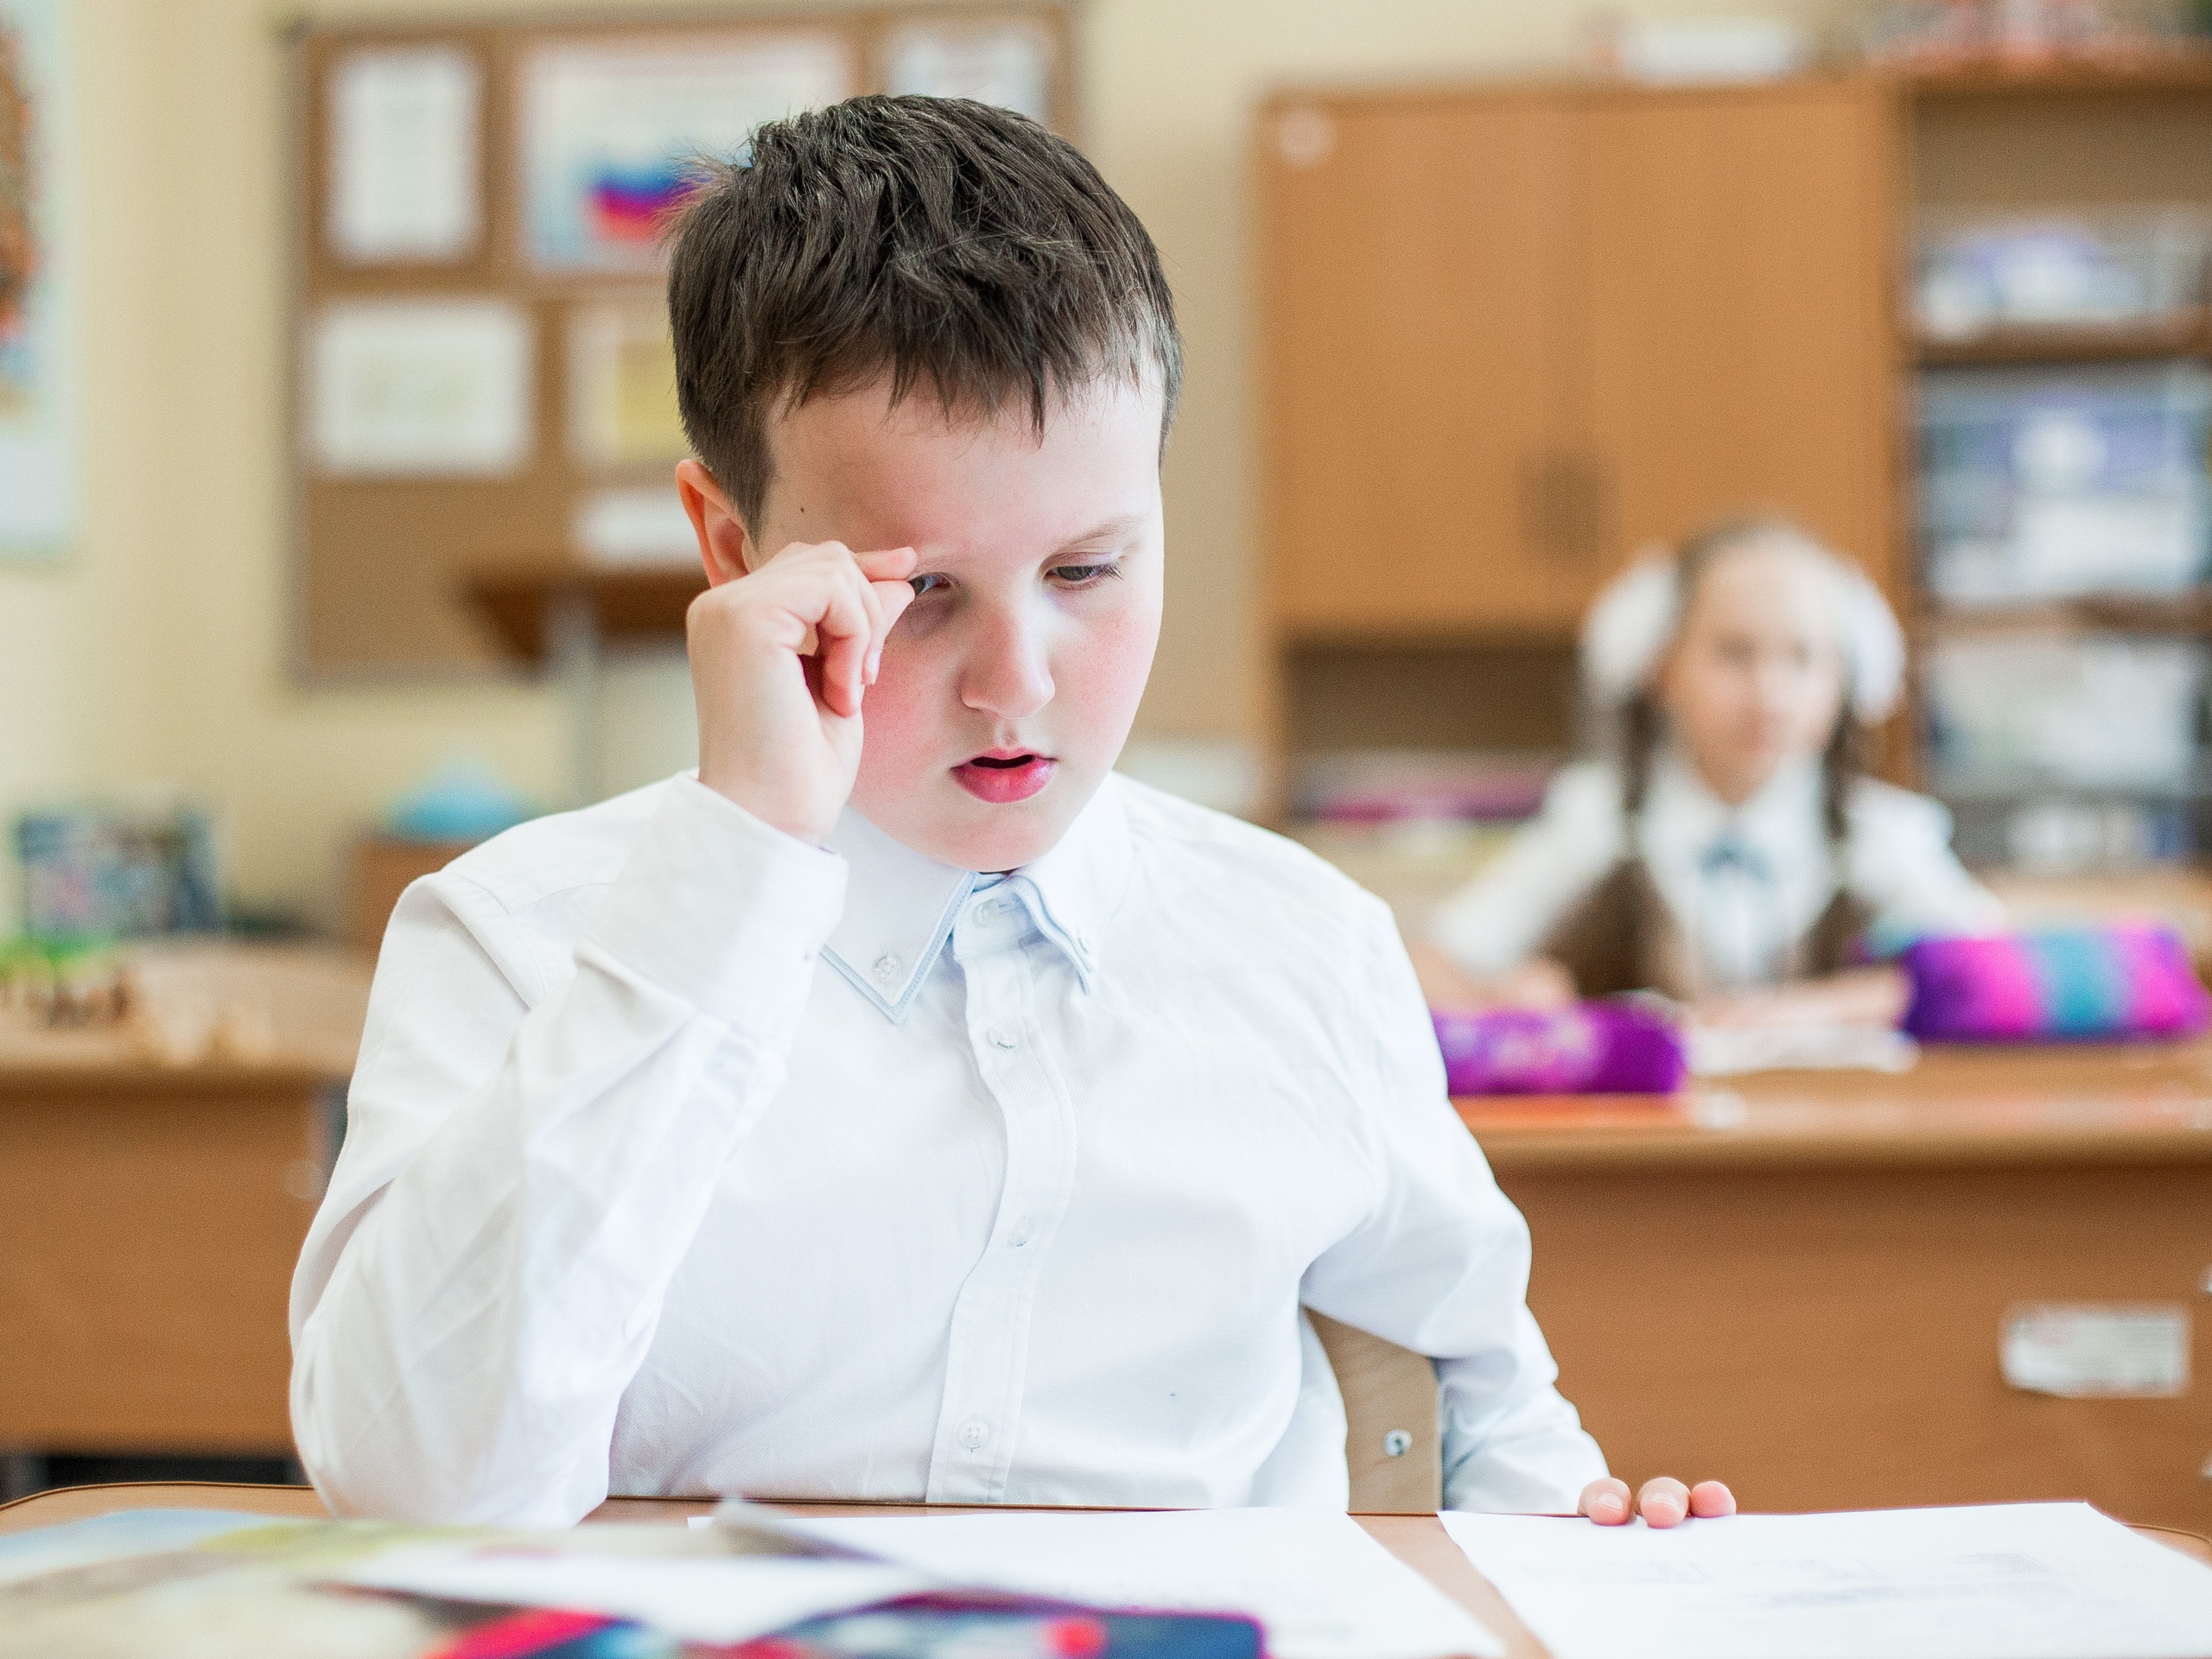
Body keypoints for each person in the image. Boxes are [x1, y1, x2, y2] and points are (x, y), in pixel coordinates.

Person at [289, 95, 1726, 1530]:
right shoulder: (515, 944)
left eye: (1088, 571)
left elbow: (1484, 1410)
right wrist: (734, 871)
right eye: (922, 591)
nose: (1018, 682)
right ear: (733, 549)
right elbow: (419, 1487)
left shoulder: (1305, 947)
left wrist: (1592, 1537)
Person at [1421, 518, 2004, 1027]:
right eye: (1733, 652)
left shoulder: (1876, 834)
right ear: (1661, 666)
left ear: (1846, 681)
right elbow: (1432, 964)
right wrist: (1504, 1001)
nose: (1769, 693)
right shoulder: (1599, 820)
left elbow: (1996, 972)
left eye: (1802, 657)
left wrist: (1829, 1006)